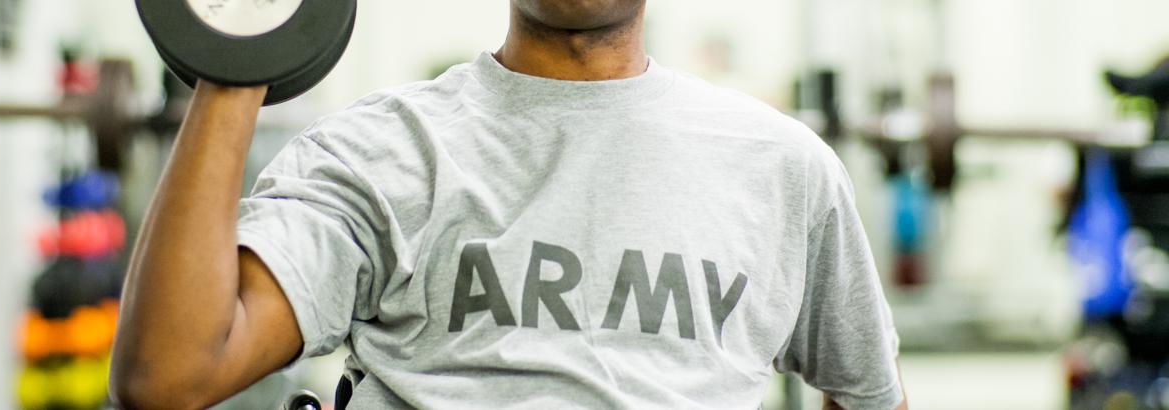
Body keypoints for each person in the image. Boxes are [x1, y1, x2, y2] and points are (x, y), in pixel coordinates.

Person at [110, 1, 909, 408]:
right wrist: (240, 53)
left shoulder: (783, 168)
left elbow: (869, 393)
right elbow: (170, 377)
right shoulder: (381, 152)